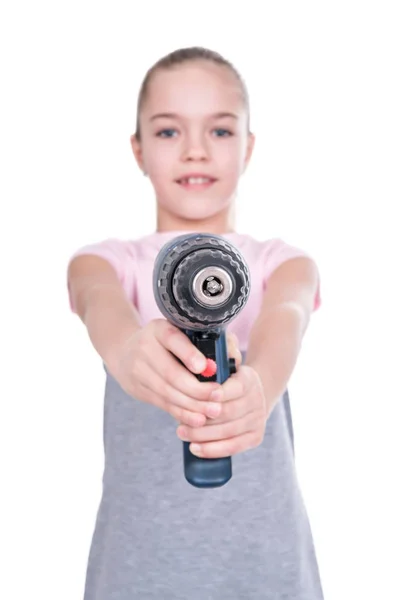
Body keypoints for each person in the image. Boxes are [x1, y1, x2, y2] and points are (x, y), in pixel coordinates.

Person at [67, 46, 324, 600]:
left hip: (266, 563)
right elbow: (97, 303)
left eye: (221, 131)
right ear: (137, 149)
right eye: (167, 132)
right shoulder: (106, 263)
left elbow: (287, 317)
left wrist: (259, 387)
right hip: (136, 566)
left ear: (249, 146)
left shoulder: (284, 263)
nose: (195, 152)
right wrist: (129, 349)